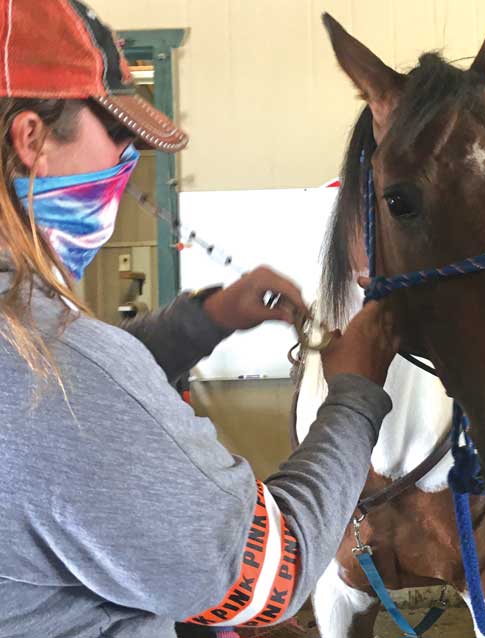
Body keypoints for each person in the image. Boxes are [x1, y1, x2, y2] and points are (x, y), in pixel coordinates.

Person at [0, 2, 398, 637]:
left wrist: (205, 319)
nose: (127, 164)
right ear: (33, 139)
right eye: (119, 137)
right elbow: (274, 574)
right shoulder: (53, 370)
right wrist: (353, 398)